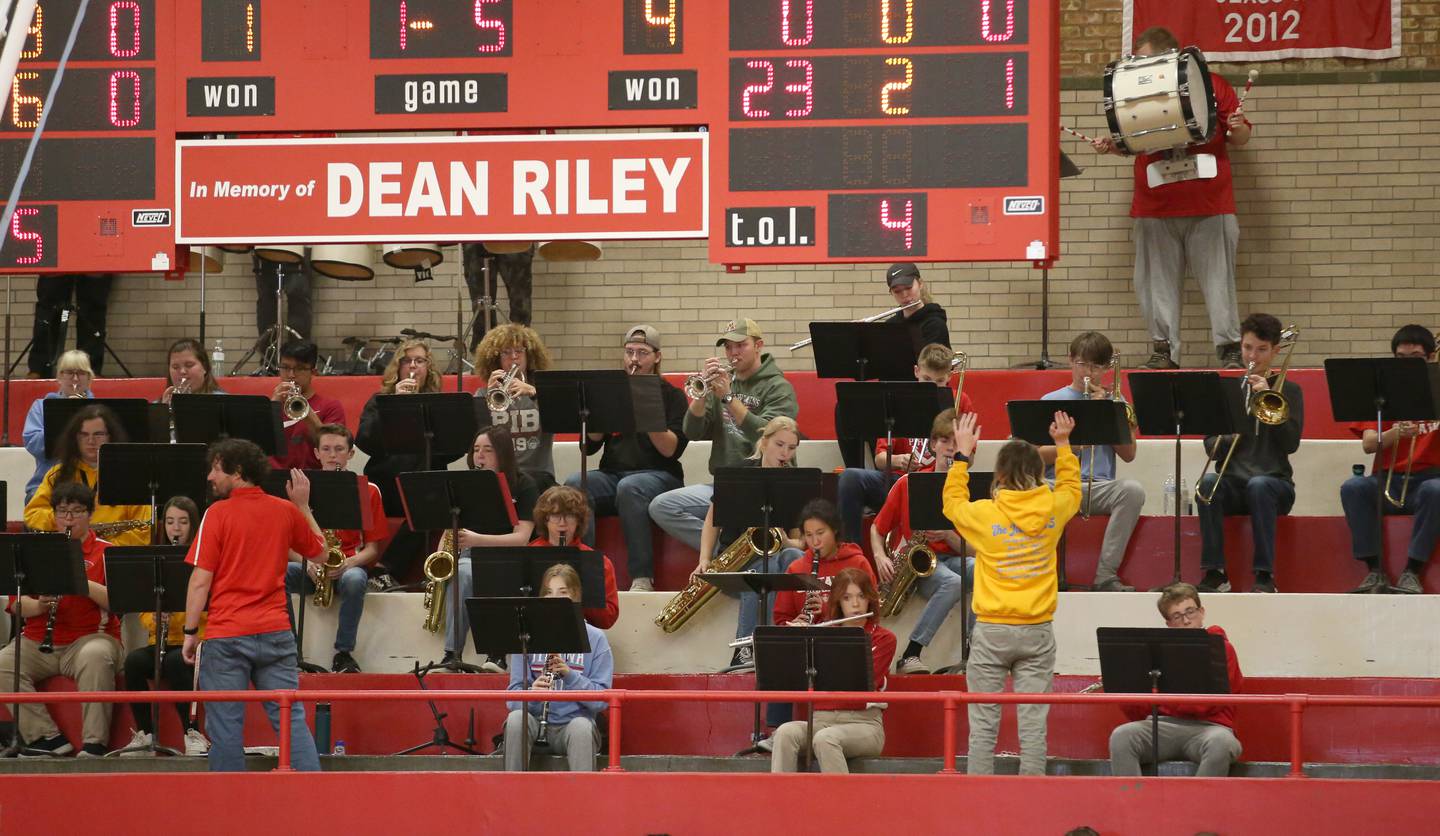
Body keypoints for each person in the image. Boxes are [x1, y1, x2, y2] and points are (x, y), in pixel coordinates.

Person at [1092, 26, 1252, 370]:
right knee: (1156, 284)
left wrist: (1237, 126)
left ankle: (1228, 348)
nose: (1140, 65)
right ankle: (1164, 350)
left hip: (1210, 201)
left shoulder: (1212, 83)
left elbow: (1239, 136)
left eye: (1146, 58)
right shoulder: (1133, 90)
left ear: (1169, 56)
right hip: (1154, 204)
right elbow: (1130, 141)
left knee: (1219, 280)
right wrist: (1112, 145)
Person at [944, 410, 1079, 775]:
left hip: (992, 630)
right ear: (1038, 471)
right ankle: (1031, 805)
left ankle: (980, 803)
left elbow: (952, 505)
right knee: (1033, 727)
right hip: (1037, 629)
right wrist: (1063, 445)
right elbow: (1071, 490)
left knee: (983, 726)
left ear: (999, 474)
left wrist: (961, 457)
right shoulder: (1053, 508)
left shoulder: (987, 514)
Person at [181, 439, 327, 773]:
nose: (209, 477)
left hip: (227, 635)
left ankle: (231, 810)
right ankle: (313, 797)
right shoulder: (284, 510)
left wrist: (190, 632)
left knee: (225, 727)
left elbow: (200, 580)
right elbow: (321, 554)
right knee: (290, 720)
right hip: (276, 632)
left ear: (238, 471)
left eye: (216, 468)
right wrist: (303, 506)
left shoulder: (216, 514)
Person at [649, 316, 799, 552]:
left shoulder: (779, 387)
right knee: (662, 506)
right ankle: (732, 550)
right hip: (723, 484)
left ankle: (741, 548)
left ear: (758, 345)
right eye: (728, 347)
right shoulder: (721, 384)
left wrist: (729, 398)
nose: (733, 353)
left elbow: (766, 435)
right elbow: (692, 432)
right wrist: (701, 394)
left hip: (764, 485)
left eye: (741, 345)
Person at [0, 483, 124, 757]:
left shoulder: (106, 551)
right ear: (54, 515)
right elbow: (17, 605)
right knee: (3, 664)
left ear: (90, 514)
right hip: (38, 640)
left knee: (96, 656)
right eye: (63, 512)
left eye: (77, 512)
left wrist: (78, 579)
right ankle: (46, 739)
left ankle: (94, 744)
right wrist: (42, 604)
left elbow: (119, 602)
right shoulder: (34, 550)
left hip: (90, 638)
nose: (69, 519)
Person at [567, 324, 688, 592]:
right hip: (614, 474)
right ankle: (583, 571)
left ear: (657, 356)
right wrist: (597, 411)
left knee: (630, 488)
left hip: (660, 475)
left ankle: (642, 577)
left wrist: (646, 408)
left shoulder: (673, 396)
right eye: (629, 352)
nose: (634, 359)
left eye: (642, 353)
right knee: (576, 483)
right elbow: (588, 448)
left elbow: (671, 450)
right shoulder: (613, 391)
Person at [1196, 313, 1303, 594]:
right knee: (1206, 484)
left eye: (1261, 349)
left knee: (1259, 485)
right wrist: (1231, 433)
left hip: (1274, 484)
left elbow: (1291, 443)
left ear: (1275, 351)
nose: (1252, 356)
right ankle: (1215, 573)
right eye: (1247, 348)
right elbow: (1211, 447)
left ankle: (1265, 576)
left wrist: (1266, 399)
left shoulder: (1289, 390)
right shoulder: (1225, 390)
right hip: (1233, 483)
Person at [689, 416, 804, 664]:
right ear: (764, 443)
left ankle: (783, 637)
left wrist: (785, 541)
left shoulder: (795, 482)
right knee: (765, 567)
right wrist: (704, 559)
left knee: (793, 558)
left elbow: (799, 543)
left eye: (792, 447)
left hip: (775, 552)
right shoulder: (738, 473)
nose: (785, 452)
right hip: (736, 556)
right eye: (779, 444)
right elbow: (713, 520)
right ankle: (746, 649)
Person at [869, 409, 975, 674]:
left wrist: (950, 536)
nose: (951, 449)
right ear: (932, 444)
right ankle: (911, 654)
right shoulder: (908, 483)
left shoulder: (970, 489)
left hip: (956, 557)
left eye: (957, 444)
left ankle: (975, 654)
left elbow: (980, 550)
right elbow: (876, 528)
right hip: (924, 565)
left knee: (985, 572)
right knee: (954, 582)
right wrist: (880, 556)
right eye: (944, 441)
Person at [1039, 331, 1146, 591]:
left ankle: (1105, 576)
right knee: (1027, 488)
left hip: (1098, 487)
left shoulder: (1116, 402)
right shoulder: (1050, 401)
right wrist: (1071, 445)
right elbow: (1035, 456)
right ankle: (1042, 574)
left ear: (1107, 368)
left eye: (1097, 366)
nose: (1089, 372)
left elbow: (1129, 454)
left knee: (1133, 491)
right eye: (1083, 364)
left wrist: (1105, 415)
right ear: (1070, 361)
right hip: (1058, 485)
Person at [837, 342, 974, 542]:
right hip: (900, 483)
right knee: (849, 478)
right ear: (916, 371)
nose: (932, 387)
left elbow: (970, 460)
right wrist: (898, 459)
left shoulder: (961, 401)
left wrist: (952, 454)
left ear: (950, 377)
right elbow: (880, 460)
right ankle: (850, 551)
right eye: (926, 379)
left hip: (941, 484)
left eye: (940, 382)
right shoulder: (898, 398)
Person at [1341, 325, 1440, 594]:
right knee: (1353, 487)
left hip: (1429, 480)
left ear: (1430, 358)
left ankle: (1412, 571)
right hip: (1387, 480)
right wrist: (1395, 433)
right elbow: (1369, 444)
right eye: (1400, 358)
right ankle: (1374, 571)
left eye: (1416, 357)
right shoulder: (1381, 393)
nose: (1407, 365)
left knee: (1437, 490)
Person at [284, 424, 389, 673]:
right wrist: (307, 563)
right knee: (279, 573)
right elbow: (285, 542)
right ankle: (287, 651)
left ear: (351, 454)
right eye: (327, 449)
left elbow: (372, 550)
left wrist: (347, 564)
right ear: (316, 453)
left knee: (354, 579)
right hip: (310, 567)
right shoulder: (299, 489)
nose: (333, 455)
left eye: (339, 449)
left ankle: (343, 653)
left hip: (346, 565)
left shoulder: (369, 490)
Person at [1108, 583, 1244, 777]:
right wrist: (1123, 686)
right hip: (1162, 725)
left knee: (1221, 743)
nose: (1187, 620)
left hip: (1210, 728)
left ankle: (1197, 807)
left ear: (1202, 612)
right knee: (1122, 736)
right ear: (1169, 624)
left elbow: (1209, 704)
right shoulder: (1155, 653)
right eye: (1177, 616)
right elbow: (1139, 711)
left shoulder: (1222, 649)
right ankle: (1133, 806)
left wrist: (1161, 700)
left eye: (1191, 611)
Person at [770, 567, 895, 773]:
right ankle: (781, 802)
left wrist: (826, 690)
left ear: (870, 600)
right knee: (785, 733)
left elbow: (861, 687)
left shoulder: (884, 638)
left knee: (826, 739)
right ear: (837, 602)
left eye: (861, 596)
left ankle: (840, 805)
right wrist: (798, 644)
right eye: (847, 598)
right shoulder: (822, 635)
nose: (855, 604)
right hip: (821, 719)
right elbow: (802, 682)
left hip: (863, 724)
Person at [443, 425, 542, 667]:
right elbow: (451, 530)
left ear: (503, 454)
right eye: (476, 449)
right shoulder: (464, 484)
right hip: (469, 554)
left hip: (509, 556)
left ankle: (496, 653)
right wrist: (443, 554)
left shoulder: (524, 484)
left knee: (488, 573)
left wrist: (478, 540)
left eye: (487, 449)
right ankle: (452, 654)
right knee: (463, 572)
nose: (480, 455)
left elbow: (522, 538)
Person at [120, 496, 210, 757]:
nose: (176, 528)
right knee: (135, 662)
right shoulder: (155, 560)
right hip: (160, 640)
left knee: (174, 663)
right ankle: (145, 734)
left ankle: (192, 732)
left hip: (196, 641)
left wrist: (183, 620)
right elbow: (144, 609)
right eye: (170, 522)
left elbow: (209, 607)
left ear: (194, 526)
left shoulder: (203, 559)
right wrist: (156, 618)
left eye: (183, 522)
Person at [501, 563, 613, 772]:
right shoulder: (526, 637)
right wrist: (531, 694)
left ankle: (585, 800)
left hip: (572, 727)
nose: (555, 600)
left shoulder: (596, 639)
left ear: (576, 597)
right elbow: (512, 699)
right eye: (549, 593)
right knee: (516, 719)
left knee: (581, 727)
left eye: (563, 593)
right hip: (534, 724)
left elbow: (601, 702)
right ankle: (512, 794)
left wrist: (571, 676)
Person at [357, 339, 449, 589]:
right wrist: (393, 406)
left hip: (421, 487)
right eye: (407, 361)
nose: (413, 366)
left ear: (428, 368)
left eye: (419, 361)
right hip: (386, 483)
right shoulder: (380, 400)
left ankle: (385, 569)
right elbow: (364, 440)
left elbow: (452, 450)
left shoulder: (438, 402)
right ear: (397, 368)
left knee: (431, 503)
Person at [24, 404, 152, 546]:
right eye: (84, 435)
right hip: (68, 551)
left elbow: (144, 530)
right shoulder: (57, 474)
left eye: (98, 434)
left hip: (112, 556)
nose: (90, 441)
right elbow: (32, 514)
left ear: (111, 436)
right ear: (75, 438)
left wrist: (102, 547)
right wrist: (65, 518)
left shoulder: (131, 477)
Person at [474, 323, 556, 492]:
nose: (514, 357)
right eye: (506, 352)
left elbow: (563, 418)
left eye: (519, 351)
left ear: (530, 356)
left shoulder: (543, 391)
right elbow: (474, 437)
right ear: (495, 359)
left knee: (527, 485)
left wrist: (534, 392)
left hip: (538, 474)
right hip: (499, 473)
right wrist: (487, 397)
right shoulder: (483, 394)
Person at [528, 486, 620, 629]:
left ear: (578, 520)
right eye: (555, 515)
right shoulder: (528, 555)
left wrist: (582, 596)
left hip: (579, 634)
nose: (562, 522)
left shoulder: (598, 563)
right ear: (545, 519)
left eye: (569, 515)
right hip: (536, 633)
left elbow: (608, 619)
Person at [22, 349, 95, 502]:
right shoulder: (40, 406)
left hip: (92, 485)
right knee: (33, 499)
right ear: (59, 377)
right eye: (69, 372)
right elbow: (33, 444)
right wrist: (66, 416)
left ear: (89, 379)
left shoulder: (100, 410)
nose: (75, 379)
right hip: (48, 483)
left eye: (81, 373)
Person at [267, 340, 345, 471]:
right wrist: (272, 408)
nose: (291, 375)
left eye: (299, 368)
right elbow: (254, 448)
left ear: (313, 372)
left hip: (315, 478)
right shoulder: (272, 403)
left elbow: (333, 450)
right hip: (273, 477)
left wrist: (308, 413)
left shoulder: (331, 406)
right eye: (285, 368)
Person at [27, 273, 114, 378]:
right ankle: (40, 368)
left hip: (93, 259)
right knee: (49, 308)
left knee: (92, 308)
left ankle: (89, 369)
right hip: (59, 258)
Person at [883, 263, 950, 348]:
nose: (904, 294)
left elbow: (933, 361)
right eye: (897, 291)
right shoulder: (889, 326)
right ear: (891, 293)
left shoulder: (935, 324)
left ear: (920, 284)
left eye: (908, 288)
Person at [158, 338, 225, 403]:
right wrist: (163, 410)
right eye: (175, 367)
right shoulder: (157, 405)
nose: (182, 371)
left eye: (189, 365)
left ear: (205, 367)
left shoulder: (224, 402)